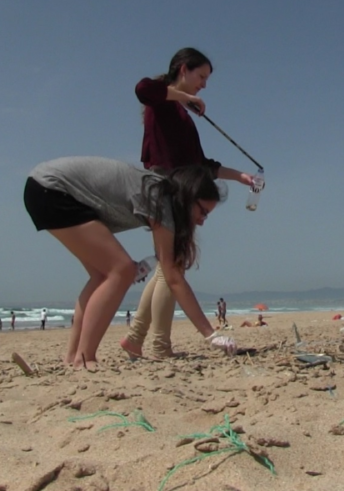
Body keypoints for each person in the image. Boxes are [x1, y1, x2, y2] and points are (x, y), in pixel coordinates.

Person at [23, 157, 236, 368]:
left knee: (102, 275)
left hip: (44, 188)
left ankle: (73, 356)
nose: (201, 221)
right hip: (52, 189)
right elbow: (173, 278)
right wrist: (211, 335)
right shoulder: (160, 197)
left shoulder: (160, 195)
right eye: (203, 212)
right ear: (188, 197)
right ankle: (85, 358)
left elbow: (169, 267)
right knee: (121, 270)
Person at [122, 48, 258, 359]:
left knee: (166, 267)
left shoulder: (178, 110)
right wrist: (184, 98)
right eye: (201, 77)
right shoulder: (164, 101)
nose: (204, 85)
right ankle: (158, 346)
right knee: (173, 267)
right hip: (165, 188)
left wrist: (240, 177)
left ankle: (136, 339)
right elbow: (142, 89)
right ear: (183, 70)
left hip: (176, 188)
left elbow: (200, 163)